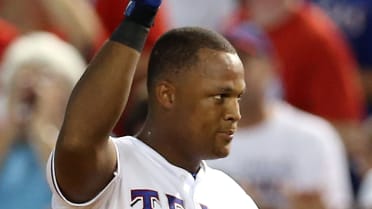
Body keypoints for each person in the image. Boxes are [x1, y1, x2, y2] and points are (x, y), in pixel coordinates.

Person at [46, 1, 259, 209]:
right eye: (220, 97)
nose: (234, 114)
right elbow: (77, 141)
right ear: (167, 95)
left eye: (237, 98)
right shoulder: (115, 167)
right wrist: (138, 19)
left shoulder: (233, 198)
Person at [207, 23, 353, 209]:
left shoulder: (313, 137)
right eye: (223, 63)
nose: (233, 71)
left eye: (244, 60)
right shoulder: (194, 137)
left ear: (271, 68)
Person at [0, 32, 85, 209]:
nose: (31, 84)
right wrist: (12, 127)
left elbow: (75, 192)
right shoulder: (6, 138)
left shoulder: (86, 144)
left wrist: (42, 129)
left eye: (44, 76)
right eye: (23, 75)